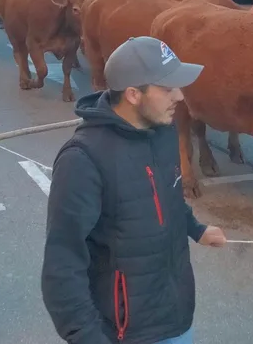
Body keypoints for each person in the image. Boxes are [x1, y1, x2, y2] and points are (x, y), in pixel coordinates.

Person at [42, 36, 226, 344]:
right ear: (132, 95)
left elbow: (169, 197)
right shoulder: (82, 159)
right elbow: (62, 268)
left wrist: (196, 228)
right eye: (167, 88)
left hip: (176, 318)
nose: (180, 96)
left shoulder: (163, 134)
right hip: (124, 333)